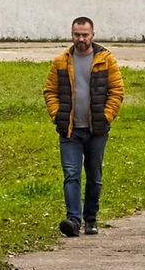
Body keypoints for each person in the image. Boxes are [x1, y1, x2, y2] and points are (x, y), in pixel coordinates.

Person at [43, 17, 123, 237]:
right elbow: (50, 91)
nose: (81, 39)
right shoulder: (61, 62)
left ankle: (91, 218)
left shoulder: (106, 60)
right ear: (72, 35)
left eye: (85, 35)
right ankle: (73, 220)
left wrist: (106, 117)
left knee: (94, 176)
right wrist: (56, 115)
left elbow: (116, 91)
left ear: (93, 35)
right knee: (71, 175)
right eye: (77, 34)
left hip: (96, 130)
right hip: (69, 131)